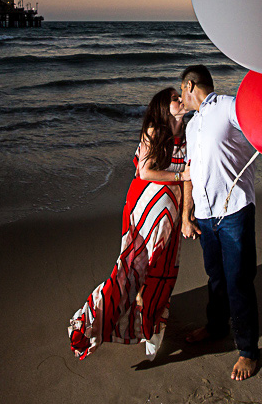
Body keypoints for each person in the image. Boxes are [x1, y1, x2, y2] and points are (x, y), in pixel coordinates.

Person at [69, 88, 190, 361]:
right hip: (145, 213)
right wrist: (182, 174)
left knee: (162, 274)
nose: (180, 100)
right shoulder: (154, 130)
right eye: (174, 98)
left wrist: (185, 213)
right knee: (132, 270)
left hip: (168, 218)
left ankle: (150, 329)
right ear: (162, 105)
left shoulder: (188, 135)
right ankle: (90, 325)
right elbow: (145, 171)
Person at [179, 64, 260, 381]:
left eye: (181, 90)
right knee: (215, 277)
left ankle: (248, 351)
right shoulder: (191, 126)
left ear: (190, 85)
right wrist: (187, 214)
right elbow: (189, 173)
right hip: (204, 214)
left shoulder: (228, 106)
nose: (180, 98)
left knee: (238, 279)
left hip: (235, 210)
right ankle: (215, 328)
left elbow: (260, 131)